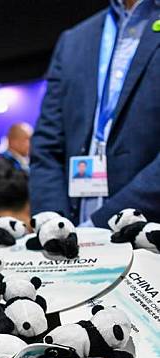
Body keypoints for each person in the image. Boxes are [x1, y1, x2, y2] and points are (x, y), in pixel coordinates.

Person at [30, 0, 159, 227]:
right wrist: (54, 228)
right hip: (70, 248)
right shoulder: (73, 40)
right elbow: (47, 146)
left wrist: (99, 226)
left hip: (149, 239)